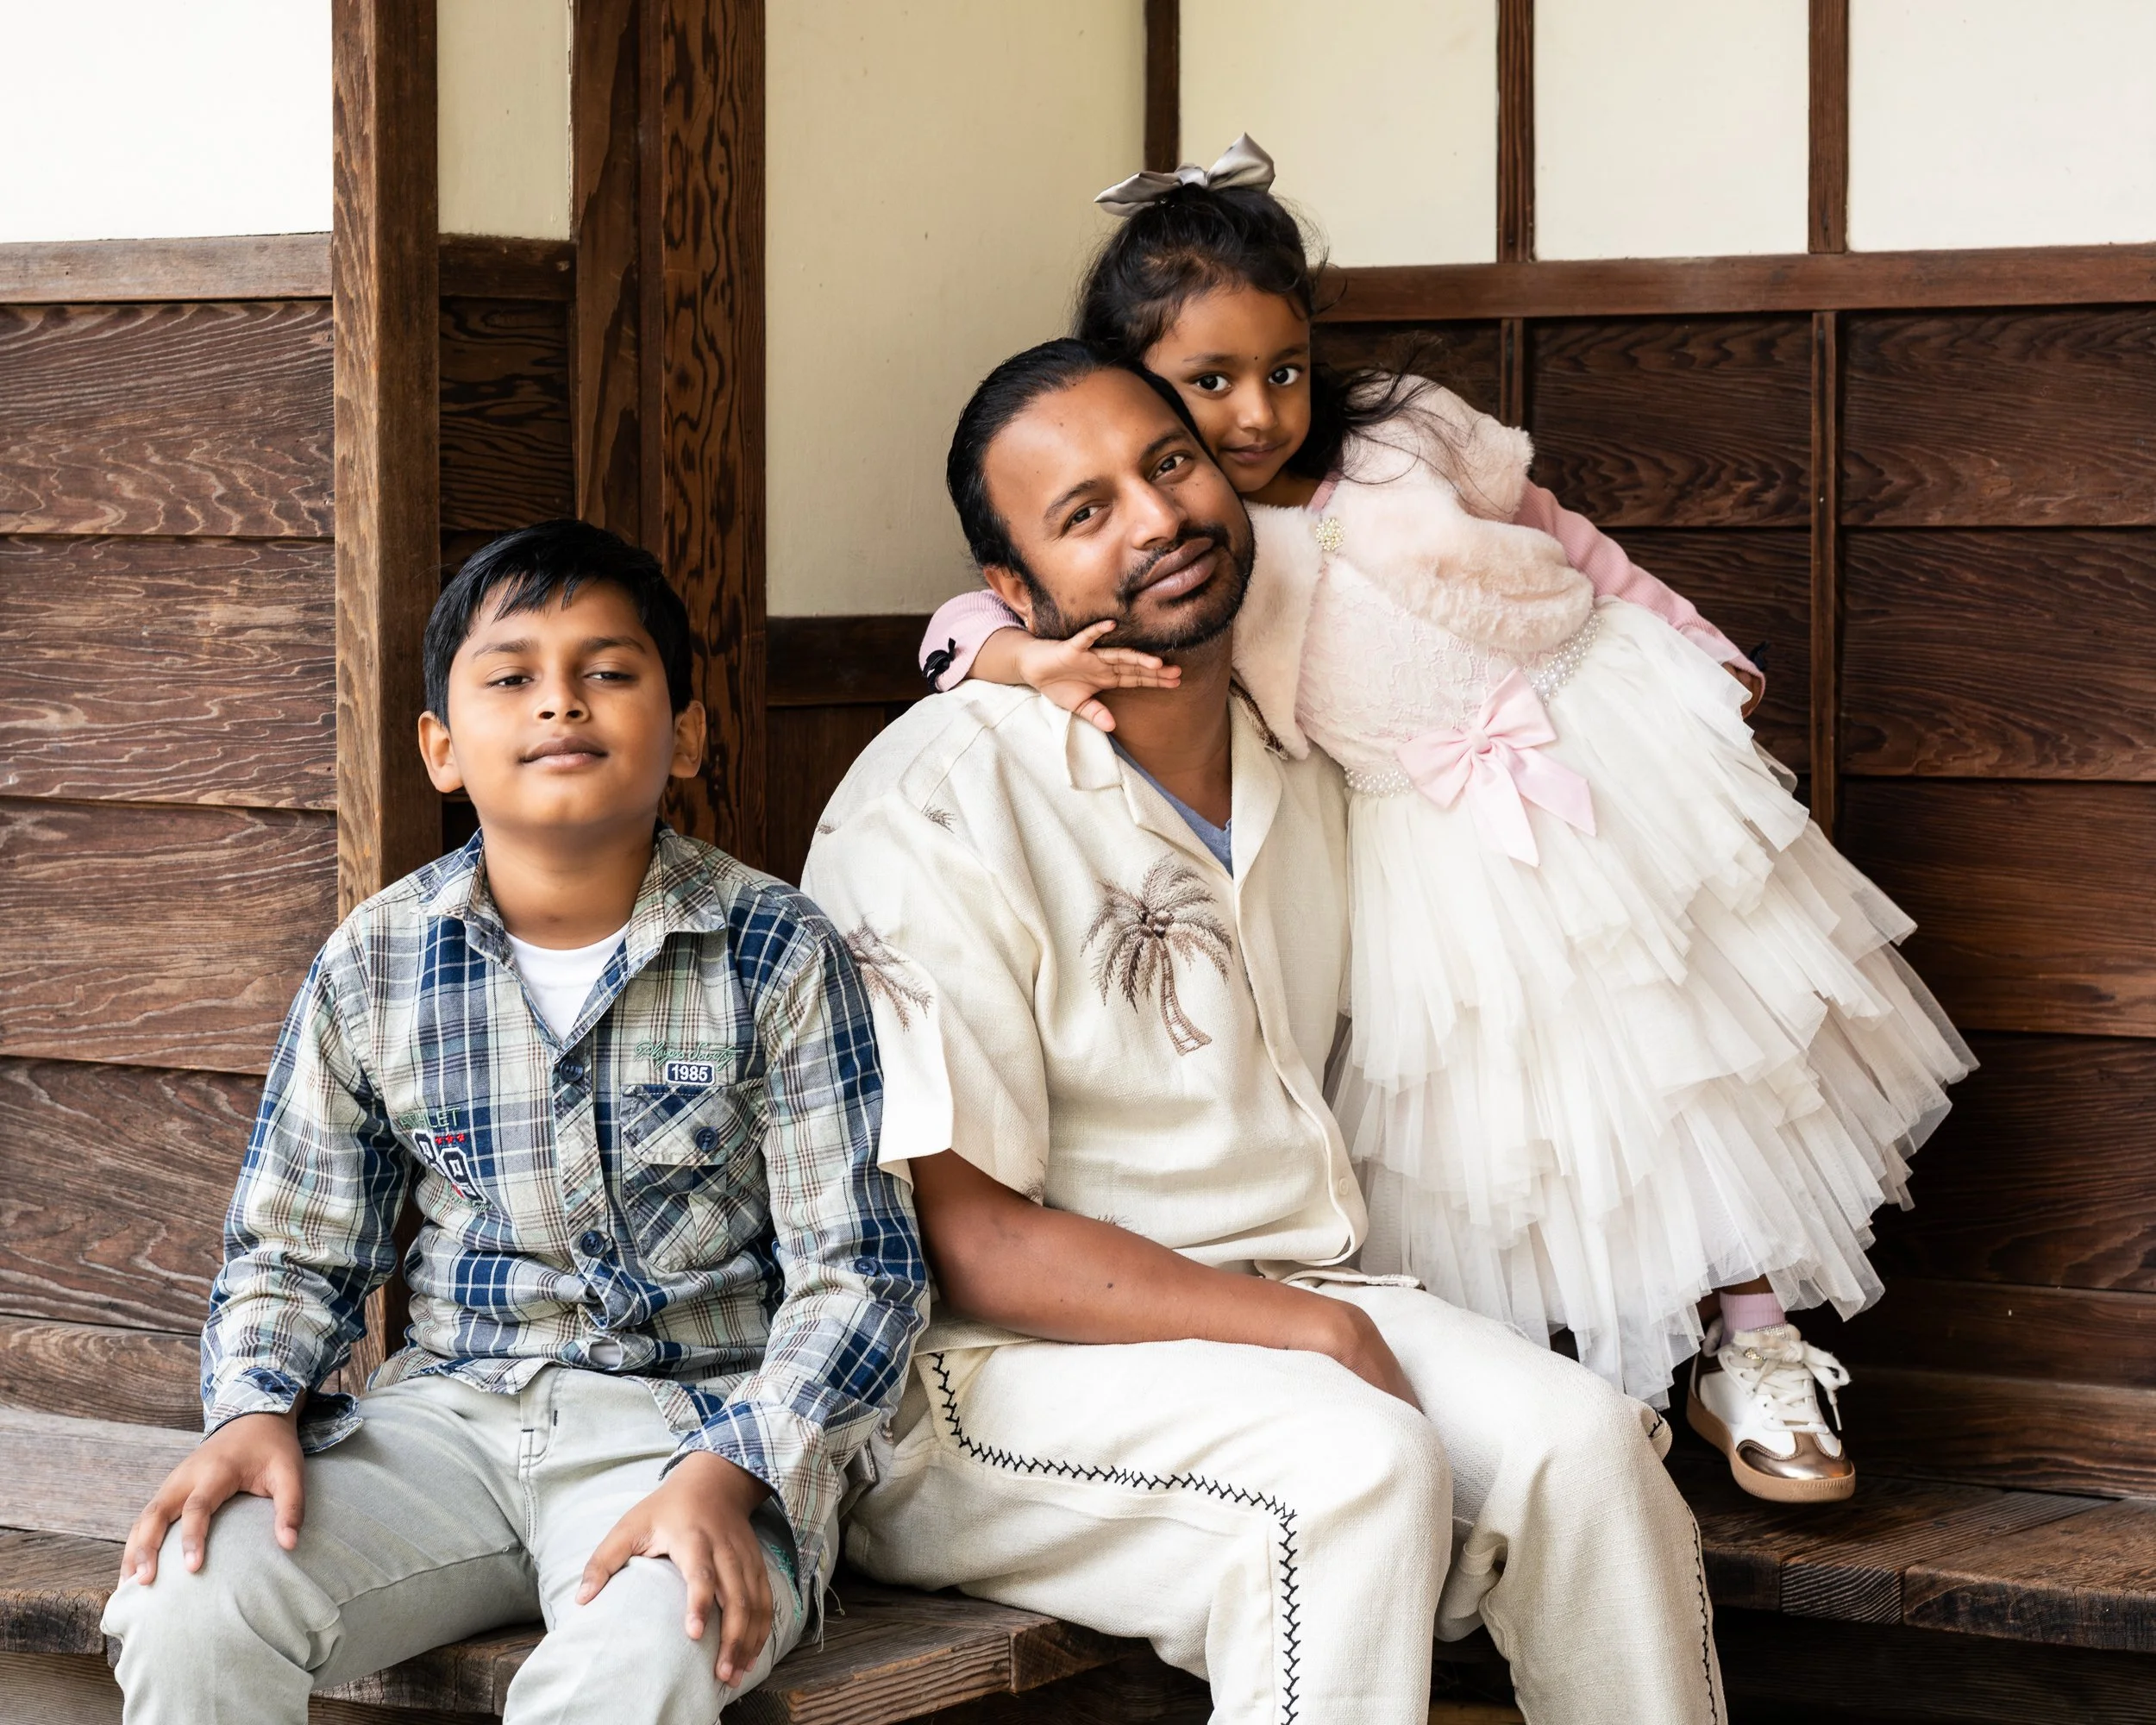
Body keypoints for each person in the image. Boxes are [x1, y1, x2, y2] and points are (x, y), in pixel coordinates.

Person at [915, 138, 1974, 1500]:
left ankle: (1756, 1345)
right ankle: (1609, 1393)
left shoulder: (1408, 429)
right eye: (1209, 384)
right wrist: (1022, 660)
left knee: (1699, 1064)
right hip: (1435, 839)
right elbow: (963, 622)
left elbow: (1566, 538)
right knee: (1549, 1125)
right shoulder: (1188, 545)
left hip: (1606, 746)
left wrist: (1693, 643)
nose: (1254, 417)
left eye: (1281, 371)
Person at [804, 339, 1726, 1725]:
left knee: (1587, 1453)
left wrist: (1307, 1326)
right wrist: (1299, 1333)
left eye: (1168, 464)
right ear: (1013, 595)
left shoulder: (1307, 744)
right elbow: (971, 1244)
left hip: (1297, 1305)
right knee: (1355, 1467)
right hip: (989, 1383)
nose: (1158, 516)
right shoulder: (937, 797)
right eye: (1085, 513)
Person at [102, 521, 928, 1724]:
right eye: (511, 677)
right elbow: (290, 1247)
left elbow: (860, 1273)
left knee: (646, 1652)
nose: (561, 704)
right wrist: (252, 1410)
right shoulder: (374, 963)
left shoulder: (776, 952)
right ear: (442, 746)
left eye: (609, 670)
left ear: (686, 732)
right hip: (443, 1429)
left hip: (688, 1435)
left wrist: (730, 1472)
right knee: (190, 1597)